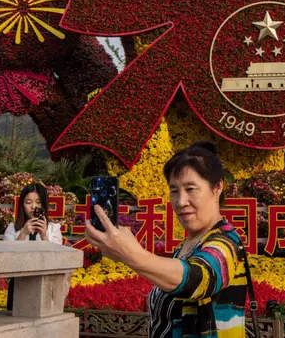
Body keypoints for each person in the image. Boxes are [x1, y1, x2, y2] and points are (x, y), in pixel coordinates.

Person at [85, 142, 248, 338]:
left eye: (191, 189)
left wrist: (130, 254)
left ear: (217, 188)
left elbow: (197, 278)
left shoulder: (226, 242)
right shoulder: (187, 245)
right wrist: (124, 253)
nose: (181, 202)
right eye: (174, 191)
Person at [4, 183, 63, 310]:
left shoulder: (54, 228)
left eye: (38, 202)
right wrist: (24, 233)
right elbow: (8, 257)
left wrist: (44, 237)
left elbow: (56, 259)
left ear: (44, 205)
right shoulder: (12, 228)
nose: (33, 206)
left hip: (44, 284)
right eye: (28, 202)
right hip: (18, 284)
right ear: (22, 205)